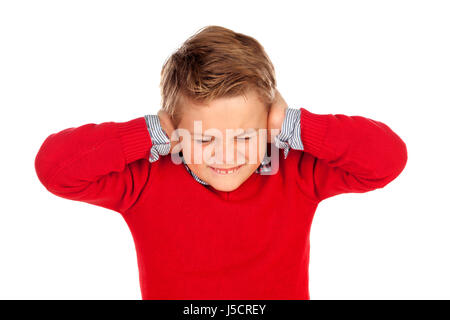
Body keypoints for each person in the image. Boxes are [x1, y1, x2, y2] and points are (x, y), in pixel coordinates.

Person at [34, 25, 408, 299]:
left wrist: (293, 123)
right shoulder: (146, 180)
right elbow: (55, 170)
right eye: (204, 138)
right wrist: (150, 131)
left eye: (245, 137)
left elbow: (387, 160)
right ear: (174, 133)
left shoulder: (294, 170)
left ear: (269, 126)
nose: (226, 155)